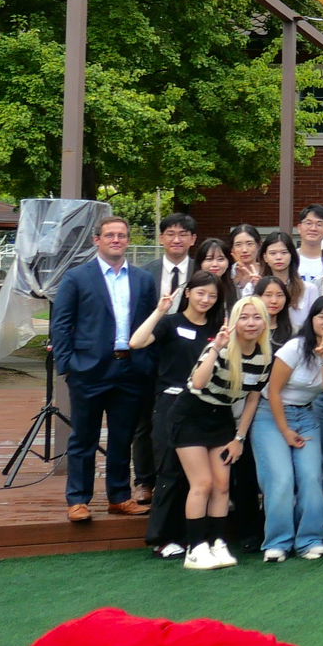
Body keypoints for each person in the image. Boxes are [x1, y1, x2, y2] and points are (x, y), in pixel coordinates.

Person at [48, 215, 158, 522]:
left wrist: (145, 364)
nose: (116, 240)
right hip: (89, 370)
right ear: (97, 240)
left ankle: (119, 497)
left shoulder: (142, 279)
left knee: (123, 437)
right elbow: (62, 325)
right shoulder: (76, 278)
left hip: (130, 369)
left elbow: (151, 325)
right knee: (84, 437)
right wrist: (69, 365)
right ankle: (78, 500)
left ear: (127, 240)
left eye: (122, 235)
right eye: (110, 235)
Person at [169, 295, 274, 569]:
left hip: (222, 420)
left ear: (265, 321)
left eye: (256, 317)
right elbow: (198, 382)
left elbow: (252, 398)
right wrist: (216, 348)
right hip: (190, 414)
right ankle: (195, 548)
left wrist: (239, 438)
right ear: (234, 321)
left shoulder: (265, 357)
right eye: (244, 317)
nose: (250, 323)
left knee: (222, 485)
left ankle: (217, 542)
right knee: (202, 483)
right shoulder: (221, 348)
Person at [130, 269, 228, 557]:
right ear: (187, 293)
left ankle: (196, 538)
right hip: (171, 403)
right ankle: (162, 538)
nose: (206, 299)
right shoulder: (171, 323)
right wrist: (160, 311)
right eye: (200, 293)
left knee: (198, 479)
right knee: (169, 471)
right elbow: (135, 343)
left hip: (204, 405)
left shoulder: (217, 329)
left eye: (212, 295)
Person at [249, 295, 323, 561]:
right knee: (280, 479)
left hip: (306, 415)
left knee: (312, 477)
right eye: (321, 316)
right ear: (311, 319)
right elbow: (274, 391)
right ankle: (277, 542)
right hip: (271, 415)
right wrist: (285, 430)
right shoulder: (294, 347)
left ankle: (310, 540)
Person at [132, 213, 199, 505]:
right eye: (170, 233)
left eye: (183, 234)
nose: (176, 239)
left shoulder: (202, 271)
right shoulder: (144, 273)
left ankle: (186, 479)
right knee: (145, 421)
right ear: (160, 238)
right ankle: (145, 481)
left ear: (193, 239)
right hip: (151, 356)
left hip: (190, 357)